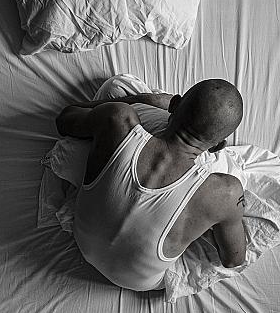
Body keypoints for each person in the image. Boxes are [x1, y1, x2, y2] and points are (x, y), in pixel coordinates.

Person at [55, 78, 247, 291]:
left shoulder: (116, 118)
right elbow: (233, 260)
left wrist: (143, 101)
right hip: (138, 282)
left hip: (83, 242)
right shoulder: (226, 193)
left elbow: (65, 117)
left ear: (173, 106)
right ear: (218, 146)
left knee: (118, 84)